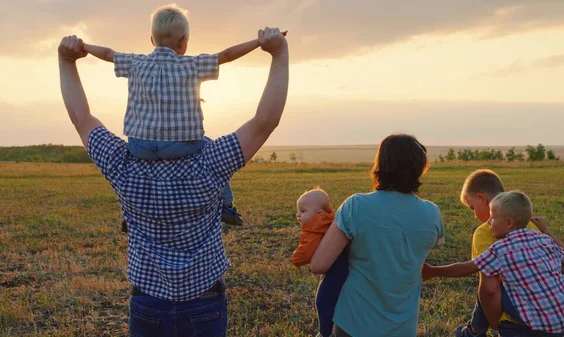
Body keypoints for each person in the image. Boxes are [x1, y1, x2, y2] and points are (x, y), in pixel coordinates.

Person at [58, 26, 288, 336]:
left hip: (148, 305)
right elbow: (265, 122)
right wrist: (279, 54)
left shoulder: (122, 165)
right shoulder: (210, 161)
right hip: (204, 303)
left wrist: (66, 60)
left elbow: (81, 117)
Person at [82, 4, 272, 225]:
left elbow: (107, 54)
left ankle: (128, 214)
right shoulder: (192, 64)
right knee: (212, 150)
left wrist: (83, 45)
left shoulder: (135, 63)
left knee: (133, 171)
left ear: (152, 40)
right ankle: (226, 205)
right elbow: (227, 55)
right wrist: (258, 43)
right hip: (182, 145)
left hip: (139, 146)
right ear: (184, 42)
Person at [310, 134, 445, 337]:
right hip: (403, 327)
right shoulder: (432, 213)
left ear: (380, 164)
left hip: (353, 322)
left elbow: (319, 265)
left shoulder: (356, 206)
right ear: (420, 168)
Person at [422, 191, 564, 336]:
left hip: (539, 324)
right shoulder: (543, 239)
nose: (489, 223)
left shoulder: (500, 248)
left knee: (492, 285)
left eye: (492, 218)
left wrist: (434, 271)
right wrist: (547, 231)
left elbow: (467, 268)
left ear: (508, 223)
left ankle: (477, 331)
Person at [455, 169, 564, 337]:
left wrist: (494, 324)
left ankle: (474, 332)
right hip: (559, 315)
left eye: (472, 208)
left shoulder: (484, 233)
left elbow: (489, 290)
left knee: (488, 282)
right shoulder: (532, 225)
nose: (474, 215)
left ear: (482, 199)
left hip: (516, 323)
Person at [291, 188, 349, 337]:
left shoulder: (315, 228)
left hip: (336, 272)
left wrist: (295, 258)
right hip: (344, 268)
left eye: (303, 211)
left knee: (323, 300)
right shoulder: (332, 220)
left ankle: (325, 333)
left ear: (319, 214)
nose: (298, 215)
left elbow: (304, 254)